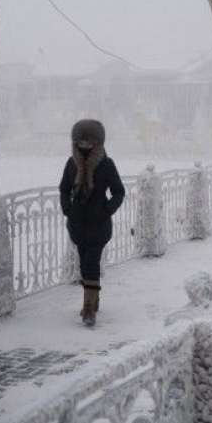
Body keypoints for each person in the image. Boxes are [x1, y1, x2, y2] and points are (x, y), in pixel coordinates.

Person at [59, 119, 125, 327]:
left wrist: (106, 210)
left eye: (89, 141)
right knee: (83, 263)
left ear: (98, 142)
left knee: (91, 263)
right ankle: (94, 300)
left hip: (98, 225)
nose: (85, 145)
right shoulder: (72, 164)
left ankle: (88, 309)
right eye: (81, 141)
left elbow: (118, 192)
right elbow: (63, 189)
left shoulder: (106, 164)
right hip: (78, 225)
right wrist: (67, 209)